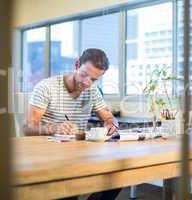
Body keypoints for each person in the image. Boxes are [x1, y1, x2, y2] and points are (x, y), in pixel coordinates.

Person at [24, 48, 121, 200]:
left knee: (119, 173)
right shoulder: (46, 87)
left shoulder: (92, 91)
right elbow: (28, 128)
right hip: (49, 157)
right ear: (77, 64)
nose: (87, 83)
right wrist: (55, 128)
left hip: (79, 154)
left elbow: (109, 118)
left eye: (94, 79)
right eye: (84, 74)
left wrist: (112, 125)